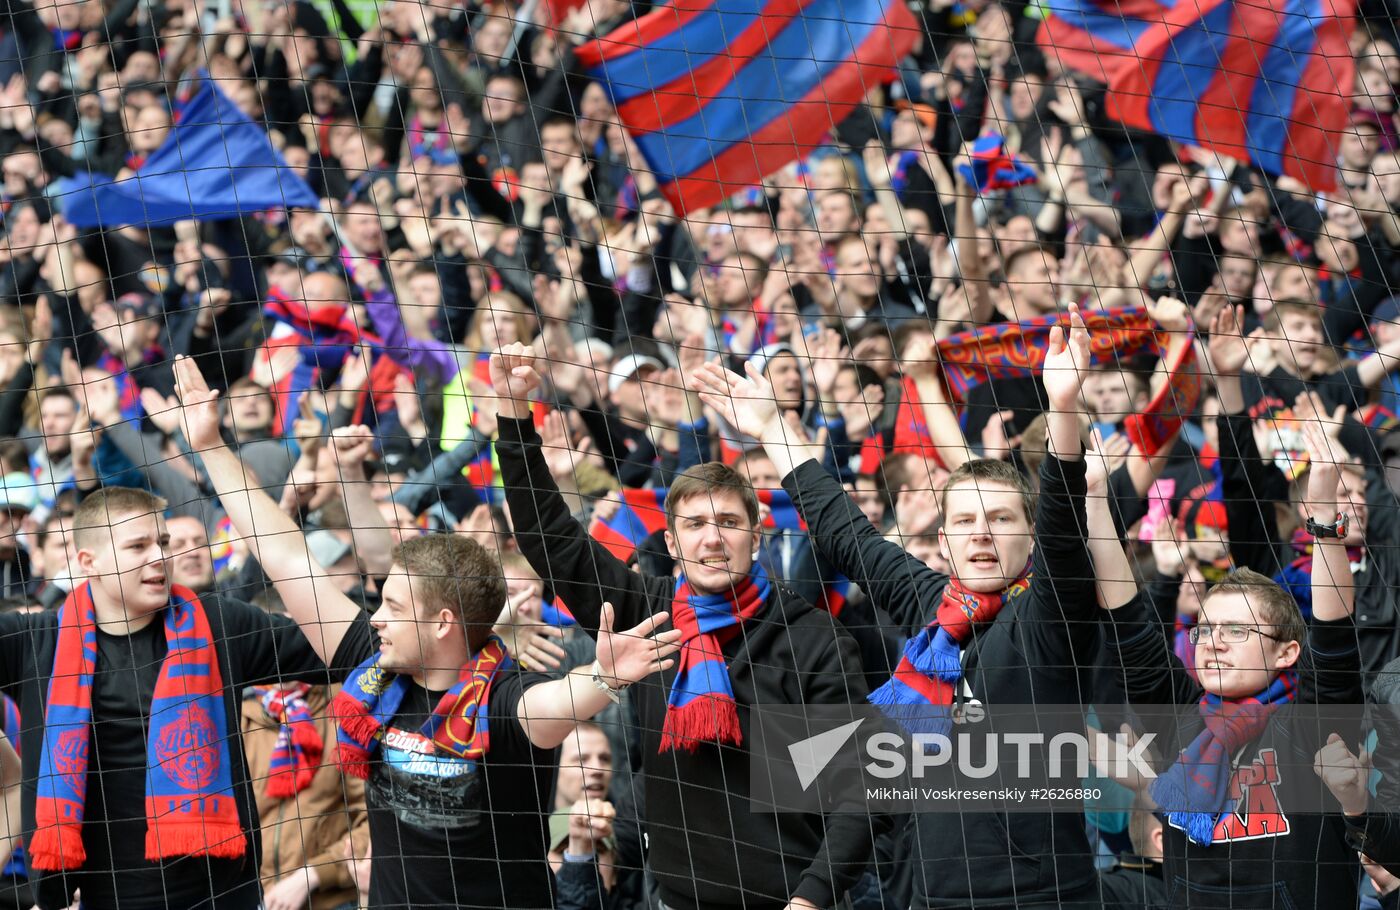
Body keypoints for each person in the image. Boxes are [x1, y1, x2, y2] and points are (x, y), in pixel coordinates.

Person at [171, 354, 681, 910]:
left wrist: (604, 676)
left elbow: (559, 700)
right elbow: (284, 554)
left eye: (392, 605)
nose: (377, 617)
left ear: (442, 623)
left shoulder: (505, 700)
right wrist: (210, 446)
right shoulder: (373, 665)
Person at [691, 304, 1105, 908]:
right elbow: (846, 535)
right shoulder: (932, 606)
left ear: (1031, 536)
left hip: (1040, 897)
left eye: (1001, 519)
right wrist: (774, 429)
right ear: (944, 541)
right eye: (965, 520)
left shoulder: (1048, 616)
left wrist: (1063, 410)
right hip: (922, 893)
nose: (982, 534)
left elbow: (1067, 537)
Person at [492, 342, 884, 910]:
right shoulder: (645, 615)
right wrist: (512, 416)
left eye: (728, 521)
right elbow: (550, 540)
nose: (713, 537)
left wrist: (812, 899)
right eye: (695, 524)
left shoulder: (815, 639)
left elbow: (857, 790)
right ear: (671, 542)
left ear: (757, 532)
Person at [0, 484, 335, 909]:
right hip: (101, 897)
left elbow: (343, 646)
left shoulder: (219, 623)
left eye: (161, 542)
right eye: (137, 546)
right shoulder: (33, 641)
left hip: (219, 892)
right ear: (89, 562)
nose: (159, 556)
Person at [1102, 412, 1362, 907]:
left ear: (1287, 652)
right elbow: (1127, 622)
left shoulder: (1311, 726)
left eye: (1237, 630)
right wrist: (1097, 503)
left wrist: (1325, 510)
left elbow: (1333, 637)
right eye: (1205, 629)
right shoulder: (1180, 718)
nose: (1213, 642)